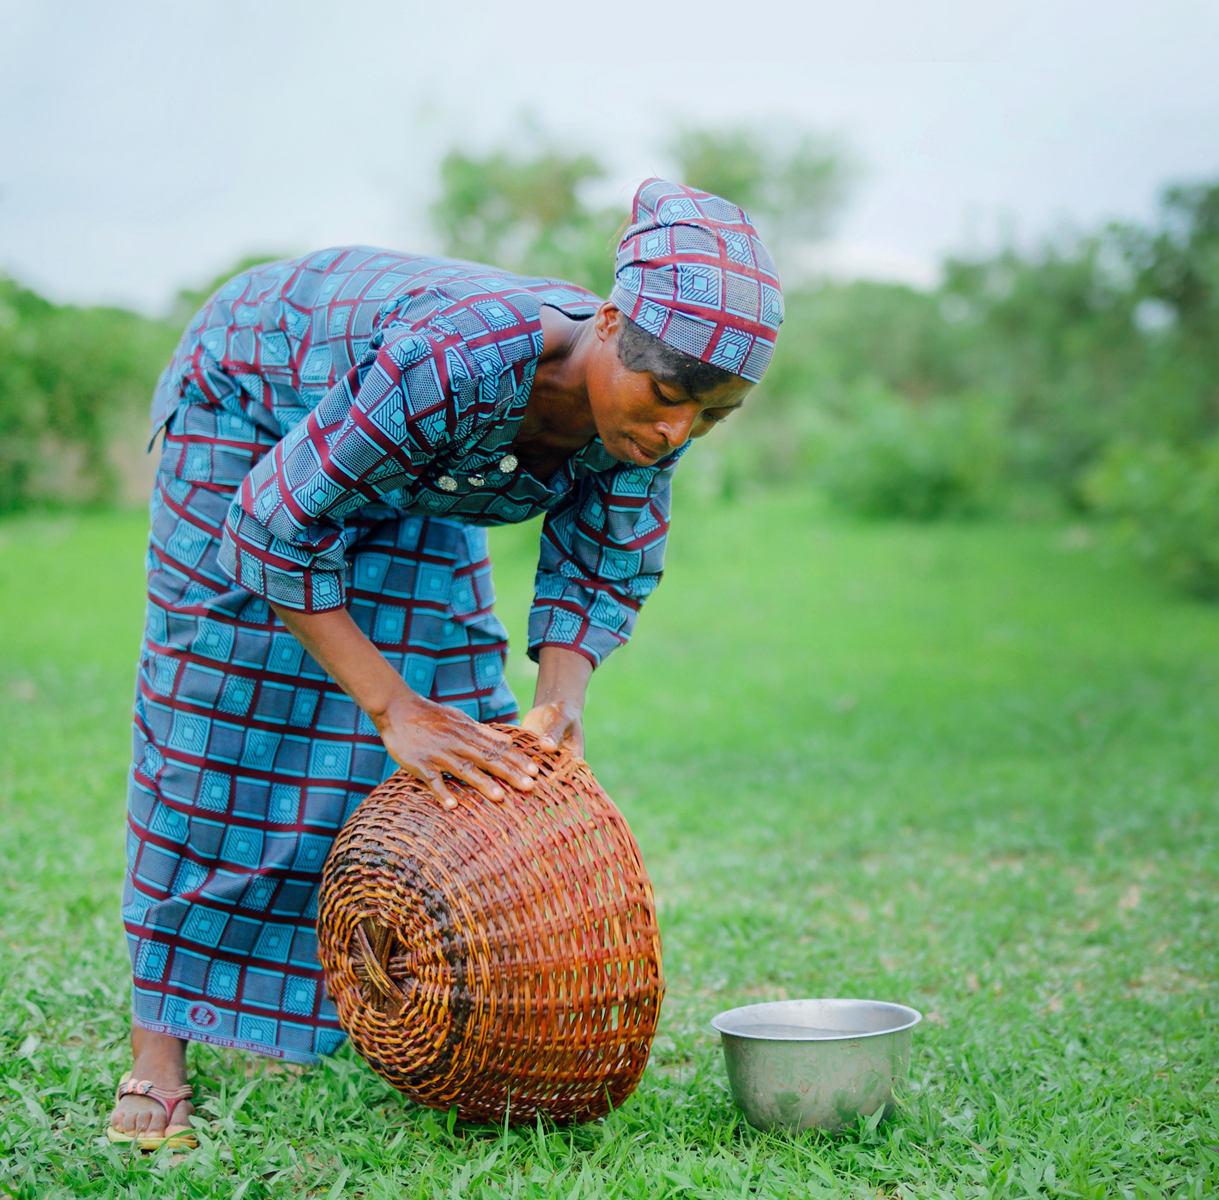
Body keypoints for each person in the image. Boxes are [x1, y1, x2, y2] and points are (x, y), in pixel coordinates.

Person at [108, 178, 782, 1149]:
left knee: (464, 707)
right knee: (220, 716)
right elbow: (273, 526)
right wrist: (391, 709)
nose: (675, 429)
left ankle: (370, 1001)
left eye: (710, 418)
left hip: (420, 459)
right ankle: (159, 1049)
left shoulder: (647, 429)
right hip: (253, 400)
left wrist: (560, 705)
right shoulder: (463, 358)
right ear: (611, 321)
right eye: (666, 395)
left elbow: (605, 559)